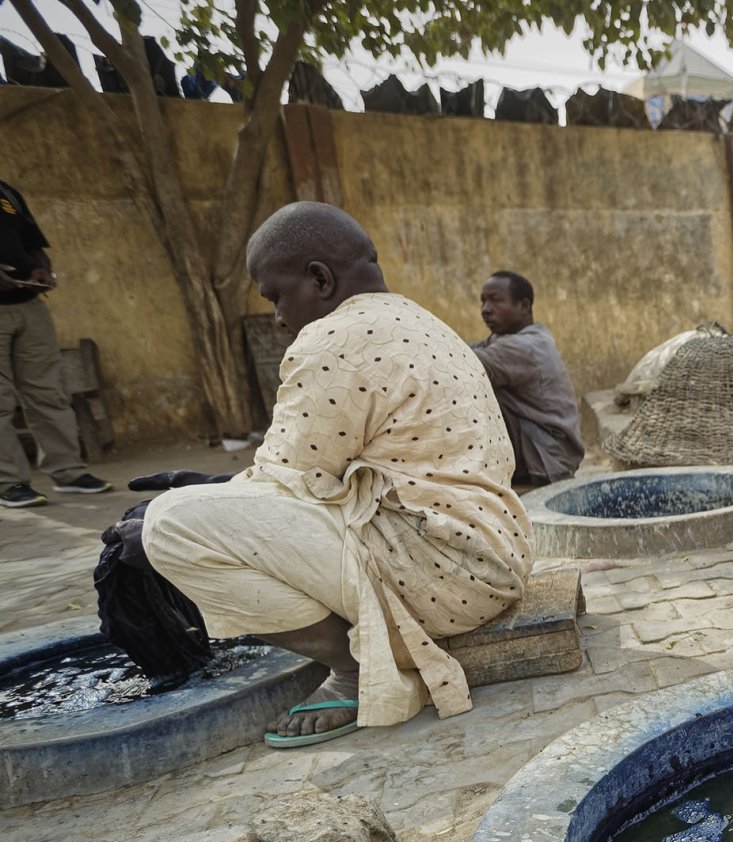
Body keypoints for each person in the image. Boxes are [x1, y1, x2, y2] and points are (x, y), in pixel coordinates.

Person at [107, 202, 533, 747]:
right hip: (494, 555)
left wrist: (182, 511)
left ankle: (355, 671)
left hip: (441, 576)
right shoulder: (422, 321)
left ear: (320, 279)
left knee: (165, 526)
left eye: (275, 296)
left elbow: (283, 480)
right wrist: (218, 487)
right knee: (186, 511)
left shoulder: (333, 340)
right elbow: (309, 472)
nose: (280, 317)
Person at [0, 176, 111, 508]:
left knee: (48, 393)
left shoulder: (7, 192)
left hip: (28, 305)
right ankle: (8, 482)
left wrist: (42, 270)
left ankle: (69, 472)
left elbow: (32, 241)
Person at [471, 271, 585, 486]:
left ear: (523, 306)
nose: (486, 310)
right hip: (536, 446)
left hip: (547, 457)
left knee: (470, 388)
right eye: (483, 302)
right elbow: (467, 349)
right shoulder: (509, 338)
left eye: (496, 301)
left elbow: (460, 362)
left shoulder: (526, 346)